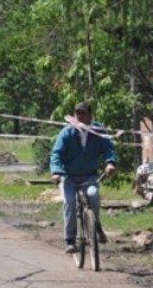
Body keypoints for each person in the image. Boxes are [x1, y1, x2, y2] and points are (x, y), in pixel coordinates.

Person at [50, 102, 117, 254]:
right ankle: (70, 240)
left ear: (90, 115)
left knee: (93, 195)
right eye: (78, 113)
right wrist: (56, 172)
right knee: (70, 203)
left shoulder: (98, 130)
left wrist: (110, 163)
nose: (80, 116)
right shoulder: (67, 132)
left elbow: (109, 148)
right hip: (68, 177)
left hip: (89, 175)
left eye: (84, 113)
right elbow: (56, 154)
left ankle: (96, 227)